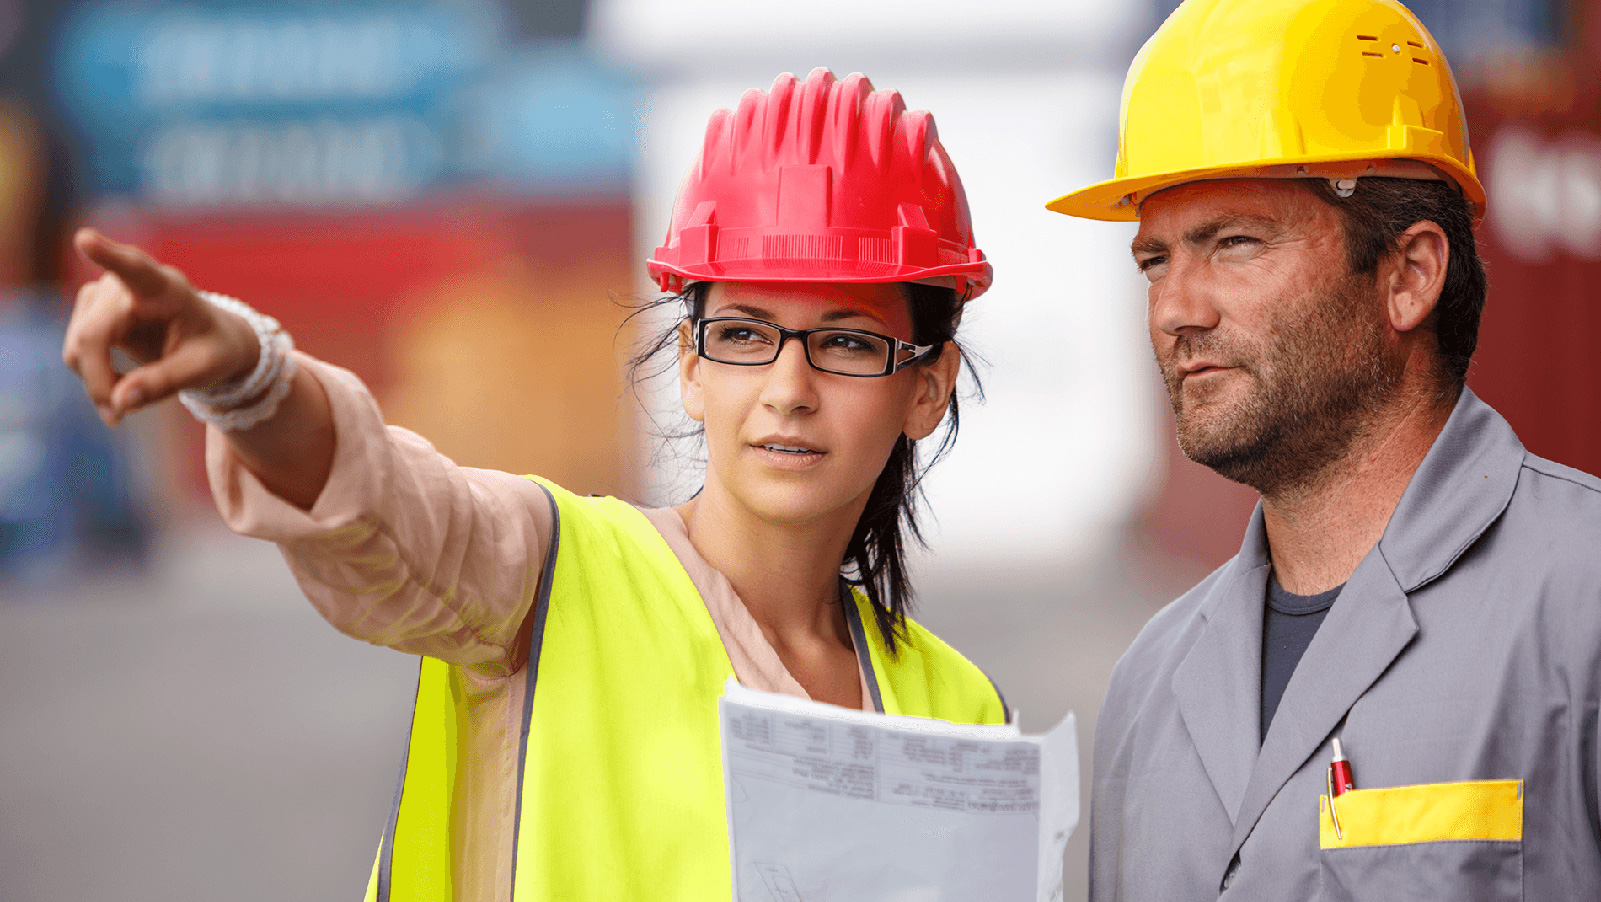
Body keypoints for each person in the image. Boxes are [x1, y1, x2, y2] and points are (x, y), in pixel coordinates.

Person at [61, 69, 1008, 901]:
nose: (787, 390)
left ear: (926, 387)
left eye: (848, 342)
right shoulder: (544, 576)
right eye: (744, 335)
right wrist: (251, 380)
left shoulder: (960, 712)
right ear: (690, 366)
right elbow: (385, 505)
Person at [1047, 0, 1601, 899]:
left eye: (1234, 244)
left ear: (1409, 275)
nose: (1174, 310)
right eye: (1154, 261)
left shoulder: (1581, 603)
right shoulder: (1149, 688)